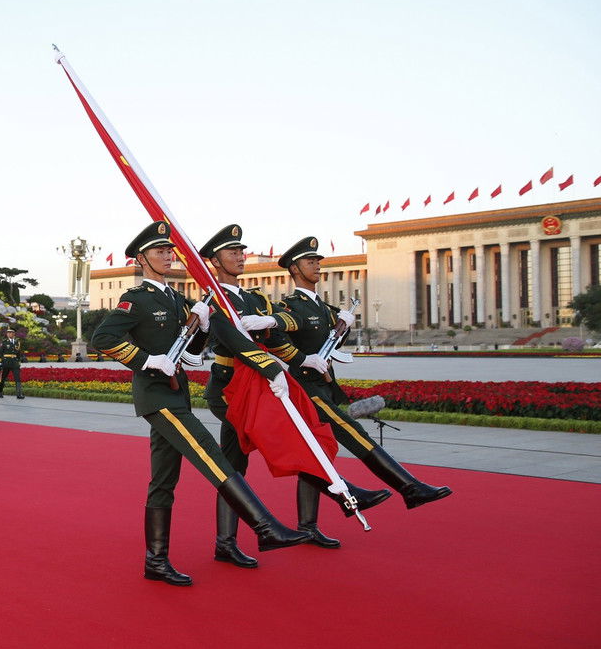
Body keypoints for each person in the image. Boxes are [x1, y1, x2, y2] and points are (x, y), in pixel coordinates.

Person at [90, 221, 310, 587]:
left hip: (176, 394)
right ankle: (265, 526)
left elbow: (192, 351)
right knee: (212, 454)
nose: (167, 255)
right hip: (157, 398)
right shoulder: (138, 299)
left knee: (163, 481)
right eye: (159, 251)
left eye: (168, 250)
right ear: (142, 259)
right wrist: (146, 360)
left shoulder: (177, 299)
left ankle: (155, 561)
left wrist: (204, 328)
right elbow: (103, 337)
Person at [198, 225, 390, 567]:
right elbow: (233, 344)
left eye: (242, 251)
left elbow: (272, 339)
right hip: (229, 389)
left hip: (255, 385)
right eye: (232, 252)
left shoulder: (255, 298)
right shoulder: (214, 300)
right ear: (214, 261)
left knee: (232, 467)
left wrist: (302, 360)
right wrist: (275, 367)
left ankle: (227, 543)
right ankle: (342, 489)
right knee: (287, 435)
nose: (240, 257)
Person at [278, 237, 453, 510]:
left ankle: (308, 525)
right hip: (306, 387)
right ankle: (409, 487)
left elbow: (334, 345)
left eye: (317, 261)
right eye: (309, 261)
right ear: (294, 269)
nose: (317, 266)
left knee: (318, 452)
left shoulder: (323, 307)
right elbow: (277, 339)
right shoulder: (291, 305)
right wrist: (302, 359)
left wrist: (343, 328)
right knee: (353, 432)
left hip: (325, 386)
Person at [0, 327, 24, 399]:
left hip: (15, 362)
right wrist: (0, 362)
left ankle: (19, 394)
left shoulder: (17, 342)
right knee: (3, 378)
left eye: (11, 332)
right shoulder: (4, 342)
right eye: (8, 332)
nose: (9, 334)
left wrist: (19, 361)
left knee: (17, 378)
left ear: (14, 333)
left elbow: (18, 353)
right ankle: (0, 391)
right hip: (6, 362)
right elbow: (0, 353)